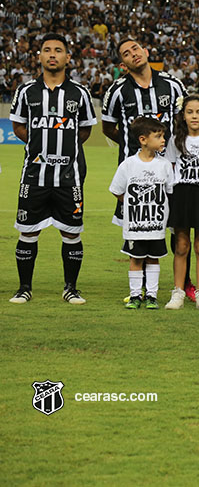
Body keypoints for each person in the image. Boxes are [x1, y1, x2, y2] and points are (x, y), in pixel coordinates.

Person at [101, 37, 192, 300]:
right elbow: (107, 127)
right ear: (123, 63)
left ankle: (183, 282)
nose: (133, 54)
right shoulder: (117, 91)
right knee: (137, 228)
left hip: (170, 170)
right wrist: (133, 146)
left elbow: (187, 120)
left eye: (136, 49)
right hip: (135, 176)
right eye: (126, 53)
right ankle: (139, 290)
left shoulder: (172, 85)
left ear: (146, 51)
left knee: (177, 230)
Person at [9, 33, 96, 305]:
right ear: (40, 56)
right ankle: (24, 287)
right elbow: (19, 127)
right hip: (34, 175)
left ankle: (71, 287)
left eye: (58, 50)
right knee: (27, 230)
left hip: (69, 177)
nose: (52, 54)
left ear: (67, 58)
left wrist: (62, 150)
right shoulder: (26, 91)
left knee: (71, 232)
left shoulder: (79, 93)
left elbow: (84, 131)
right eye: (47, 50)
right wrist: (41, 147)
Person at [109, 117, 174, 310]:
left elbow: (169, 192)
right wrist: (132, 203)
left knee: (153, 259)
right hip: (135, 225)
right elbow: (116, 189)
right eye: (158, 136)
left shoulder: (164, 165)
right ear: (143, 139)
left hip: (156, 226)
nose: (163, 140)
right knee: (135, 258)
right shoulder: (128, 165)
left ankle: (152, 296)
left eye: (163, 136)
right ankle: (135, 294)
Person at [163, 95, 199, 310]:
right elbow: (170, 167)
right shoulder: (175, 139)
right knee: (181, 246)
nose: (194, 116)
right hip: (181, 195)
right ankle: (177, 291)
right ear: (183, 115)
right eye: (190, 112)